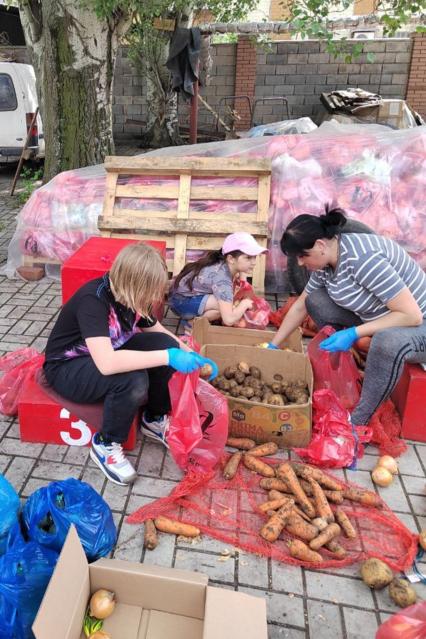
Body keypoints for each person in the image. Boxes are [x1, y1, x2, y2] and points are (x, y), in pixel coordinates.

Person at [43, 243, 216, 486]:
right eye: (150, 292)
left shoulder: (132, 296)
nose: (154, 299)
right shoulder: (93, 301)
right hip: (68, 367)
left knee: (165, 343)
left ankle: (154, 418)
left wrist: (192, 355)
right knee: (133, 380)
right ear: (132, 283)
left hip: (106, 351)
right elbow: (107, 364)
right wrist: (168, 357)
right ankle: (106, 443)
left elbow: (156, 329)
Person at [268, 206, 426, 429]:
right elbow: (301, 305)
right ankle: (349, 367)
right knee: (316, 300)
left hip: (417, 324)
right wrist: (273, 345)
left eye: (303, 256)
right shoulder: (327, 261)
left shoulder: (364, 259)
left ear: (320, 245)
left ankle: (358, 421)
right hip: (380, 316)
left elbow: (411, 315)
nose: (301, 263)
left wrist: (353, 333)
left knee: (386, 342)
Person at [169, 232, 268, 326]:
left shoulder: (225, 262)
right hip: (180, 302)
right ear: (231, 259)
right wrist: (244, 304)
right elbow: (228, 320)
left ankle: (198, 315)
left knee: (228, 302)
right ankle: (192, 323)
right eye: (248, 258)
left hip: (183, 295)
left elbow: (242, 279)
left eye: (255, 257)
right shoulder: (222, 279)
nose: (254, 262)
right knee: (225, 308)